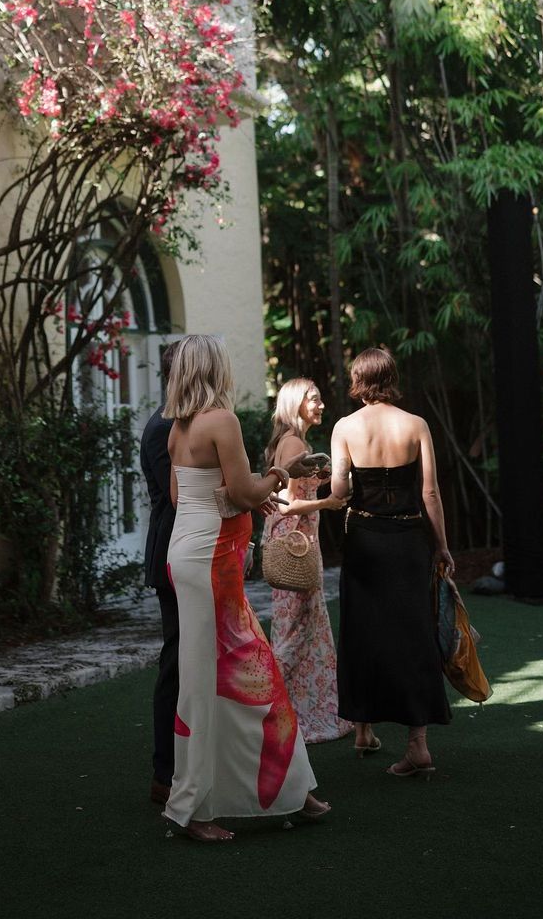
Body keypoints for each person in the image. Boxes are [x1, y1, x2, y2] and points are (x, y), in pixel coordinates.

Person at [163, 334, 330, 841]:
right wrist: (279, 473)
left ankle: (291, 792)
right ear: (216, 369)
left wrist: (244, 494)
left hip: (188, 554)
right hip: (213, 561)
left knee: (219, 679)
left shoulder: (179, 427)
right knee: (238, 675)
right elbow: (243, 491)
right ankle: (195, 808)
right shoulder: (222, 420)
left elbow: (183, 498)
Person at [331, 346, 452, 778]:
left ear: (358, 380)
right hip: (407, 541)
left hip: (363, 541)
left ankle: (363, 728)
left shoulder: (344, 427)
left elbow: (340, 491)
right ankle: (417, 744)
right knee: (413, 633)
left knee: (362, 631)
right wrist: (442, 546)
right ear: (391, 376)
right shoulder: (415, 424)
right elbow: (430, 494)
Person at [265, 379, 353, 746]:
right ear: (295, 404)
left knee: (304, 629)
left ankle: (297, 713)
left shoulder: (295, 442)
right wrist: (327, 504)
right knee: (295, 632)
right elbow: (285, 502)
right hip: (295, 549)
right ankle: (264, 708)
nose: (319, 405)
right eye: (312, 399)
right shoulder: (293, 443)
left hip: (302, 545)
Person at [139, 343, 179, 806]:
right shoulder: (162, 427)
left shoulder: (178, 423)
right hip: (172, 552)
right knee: (176, 663)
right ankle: (163, 772)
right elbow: (178, 498)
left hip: (187, 549)